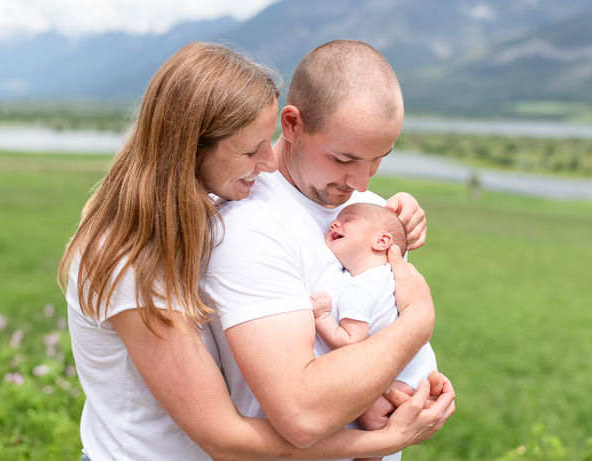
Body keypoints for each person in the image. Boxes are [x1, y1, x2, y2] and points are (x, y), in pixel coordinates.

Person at [59, 41, 452, 461]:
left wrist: (390, 214)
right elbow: (227, 437)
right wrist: (384, 436)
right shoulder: (134, 257)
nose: (268, 162)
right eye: (252, 149)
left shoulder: (190, 221)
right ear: (190, 148)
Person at [201, 39, 454, 461]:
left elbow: (381, 339)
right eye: (342, 158)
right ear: (292, 124)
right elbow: (301, 415)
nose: (361, 181)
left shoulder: (373, 212)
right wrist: (419, 321)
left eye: (378, 159)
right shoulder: (246, 223)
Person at [310, 202, 439, 461]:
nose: (335, 223)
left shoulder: (356, 287)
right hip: (421, 366)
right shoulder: (394, 275)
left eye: (348, 220)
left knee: (373, 417)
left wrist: (322, 317)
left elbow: (351, 341)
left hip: (402, 374)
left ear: (381, 241)